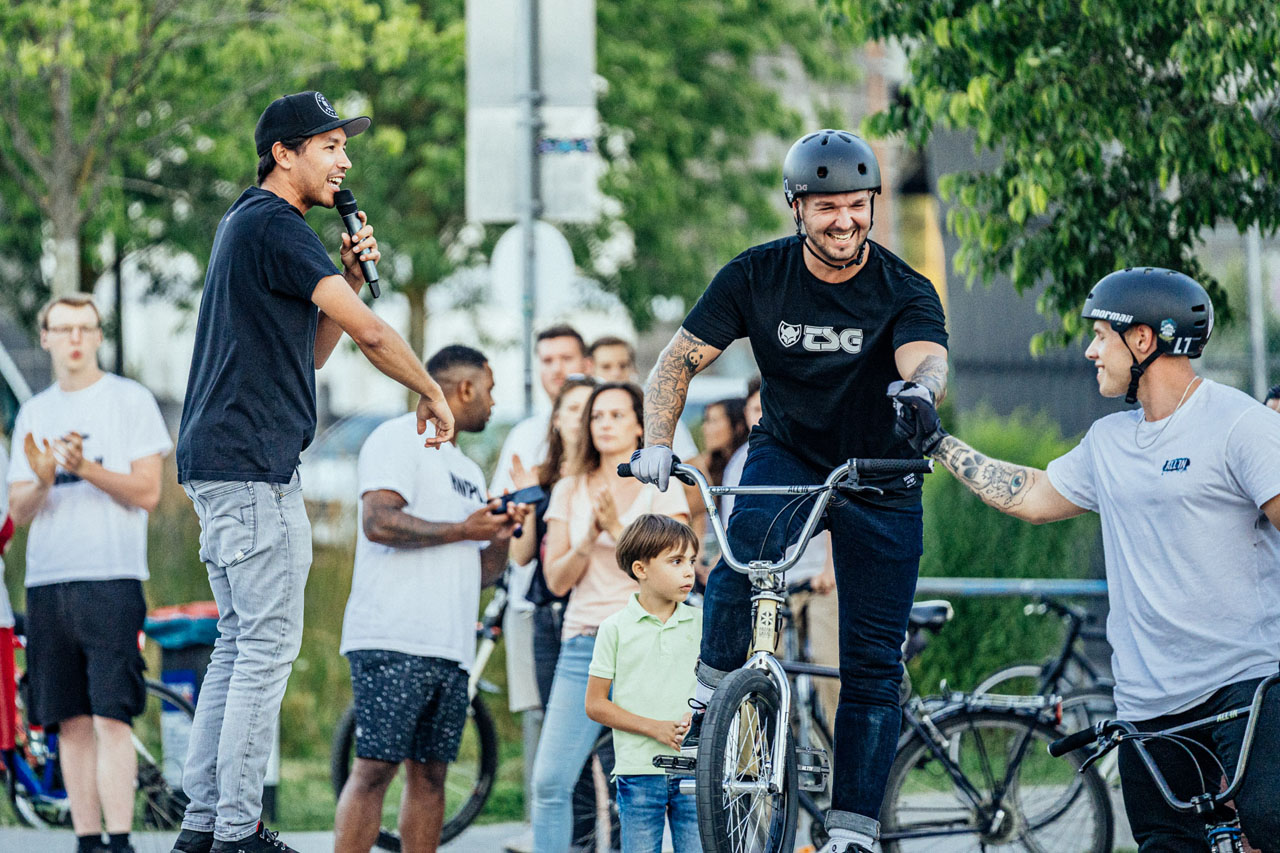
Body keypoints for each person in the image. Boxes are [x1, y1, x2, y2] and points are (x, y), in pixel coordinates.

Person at [630, 129, 949, 853]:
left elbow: (925, 358)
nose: (845, 221)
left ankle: (853, 830)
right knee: (742, 559)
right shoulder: (755, 276)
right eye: (827, 206)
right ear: (797, 208)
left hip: (882, 474)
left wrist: (920, 393)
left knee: (872, 662)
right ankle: (713, 693)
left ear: (872, 204)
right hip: (792, 453)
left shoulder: (904, 288)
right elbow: (675, 364)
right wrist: (657, 441)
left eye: (857, 206)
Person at [894, 267, 1280, 851]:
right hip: (1147, 702)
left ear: (1143, 341)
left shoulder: (1239, 426)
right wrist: (937, 442)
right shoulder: (1109, 443)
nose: (1090, 350)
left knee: (1270, 826)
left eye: (1102, 334)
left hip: (1246, 688)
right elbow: (1029, 495)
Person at [173, 91, 454, 853]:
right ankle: (237, 832)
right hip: (253, 468)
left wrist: (350, 278)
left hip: (225, 463)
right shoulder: (276, 223)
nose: (345, 160)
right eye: (330, 145)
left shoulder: (252, 226)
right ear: (284, 154)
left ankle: (204, 825)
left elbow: (315, 351)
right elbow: (365, 337)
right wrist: (429, 387)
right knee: (263, 650)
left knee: (239, 644)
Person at [333, 346, 529, 853]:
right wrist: (465, 527)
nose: (493, 401)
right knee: (375, 768)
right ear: (464, 388)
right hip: (393, 635)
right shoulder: (397, 438)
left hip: (451, 645)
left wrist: (500, 533)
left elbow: (481, 570)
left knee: (432, 778)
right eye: (489, 388)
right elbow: (378, 522)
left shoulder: (466, 467)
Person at [7, 295, 171, 853]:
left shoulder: (130, 401)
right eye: (62, 328)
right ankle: (86, 839)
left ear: (98, 335)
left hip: (112, 577)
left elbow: (148, 492)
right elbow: (20, 512)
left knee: (111, 715)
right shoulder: (34, 413)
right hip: (49, 581)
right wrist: (48, 477)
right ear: (46, 337)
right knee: (68, 720)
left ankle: (120, 838)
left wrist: (86, 468)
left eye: (85, 327)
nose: (74, 338)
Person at [530, 383, 690, 851]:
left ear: (640, 425)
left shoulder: (663, 486)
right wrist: (588, 536)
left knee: (653, 790)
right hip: (586, 645)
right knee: (549, 781)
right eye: (597, 416)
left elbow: (676, 573)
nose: (604, 424)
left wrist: (618, 533)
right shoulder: (569, 489)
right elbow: (557, 580)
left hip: (652, 647)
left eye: (617, 415)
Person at [491, 324, 593, 719]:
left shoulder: (615, 470)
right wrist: (527, 502)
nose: (556, 368)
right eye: (547, 360)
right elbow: (520, 554)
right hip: (545, 610)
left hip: (598, 613)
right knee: (554, 725)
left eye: (565, 358)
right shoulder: (532, 455)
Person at [585, 514, 702, 853]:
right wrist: (654, 728)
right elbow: (595, 704)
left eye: (691, 561)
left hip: (695, 770)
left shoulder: (703, 622)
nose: (688, 571)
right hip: (638, 772)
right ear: (641, 569)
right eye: (676, 561)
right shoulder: (614, 628)